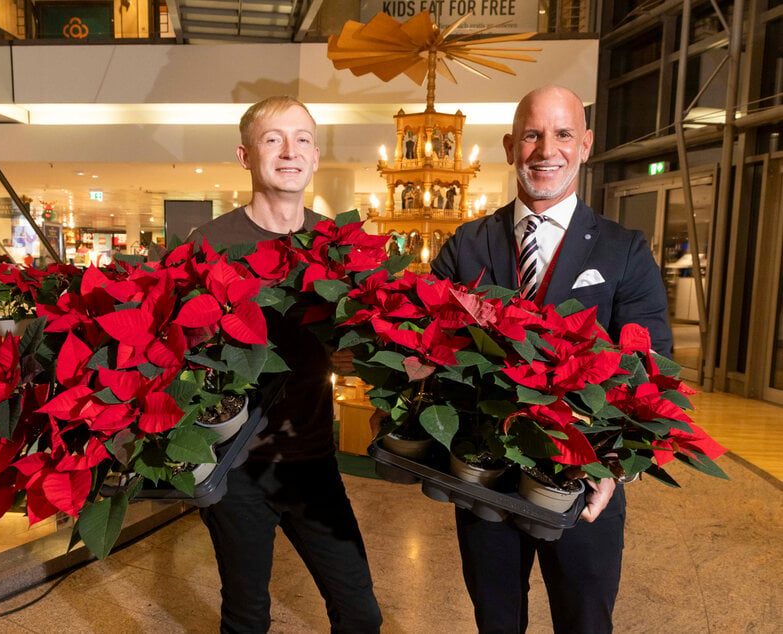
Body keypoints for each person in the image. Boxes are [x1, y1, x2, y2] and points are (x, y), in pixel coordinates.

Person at [430, 85, 673, 633]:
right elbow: (425, 346)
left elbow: (651, 368)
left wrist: (613, 467)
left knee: (584, 622)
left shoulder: (623, 248)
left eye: (563, 134)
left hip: (583, 483)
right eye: (533, 134)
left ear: (584, 145)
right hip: (486, 480)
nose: (547, 150)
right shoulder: (466, 245)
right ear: (509, 144)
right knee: (496, 621)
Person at [187, 96, 382, 634]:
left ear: (316, 156)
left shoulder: (337, 244)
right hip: (236, 464)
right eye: (273, 139)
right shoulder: (208, 244)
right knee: (247, 616)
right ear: (246, 155)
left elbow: (371, 329)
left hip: (314, 457)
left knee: (360, 612)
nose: (289, 151)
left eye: (301, 140)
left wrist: (357, 352)